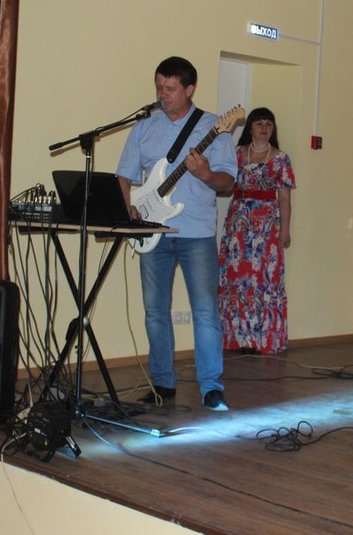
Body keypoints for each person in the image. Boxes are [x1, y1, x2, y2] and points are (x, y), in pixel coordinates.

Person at [117, 56, 237, 412]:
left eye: (169, 88)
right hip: (153, 231)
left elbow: (227, 182)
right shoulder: (144, 127)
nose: (162, 94)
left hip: (196, 232)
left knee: (205, 312)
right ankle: (162, 383)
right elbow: (124, 176)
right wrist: (128, 210)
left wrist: (205, 174)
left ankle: (211, 387)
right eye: (159, 87)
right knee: (155, 311)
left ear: (189, 89)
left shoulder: (215, 128)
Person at [218, 107, 296, 354]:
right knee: (237, 279)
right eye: (259, 123)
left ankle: (262, 340)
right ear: (250, 127)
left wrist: (285, 231)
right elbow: (224, 184)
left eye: (268, 124)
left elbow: (285, 199)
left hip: (267, 228)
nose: (264, 128)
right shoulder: (236, 153)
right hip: (239, 227)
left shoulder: (281, 159)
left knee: (265, 279)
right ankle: (236, 338)